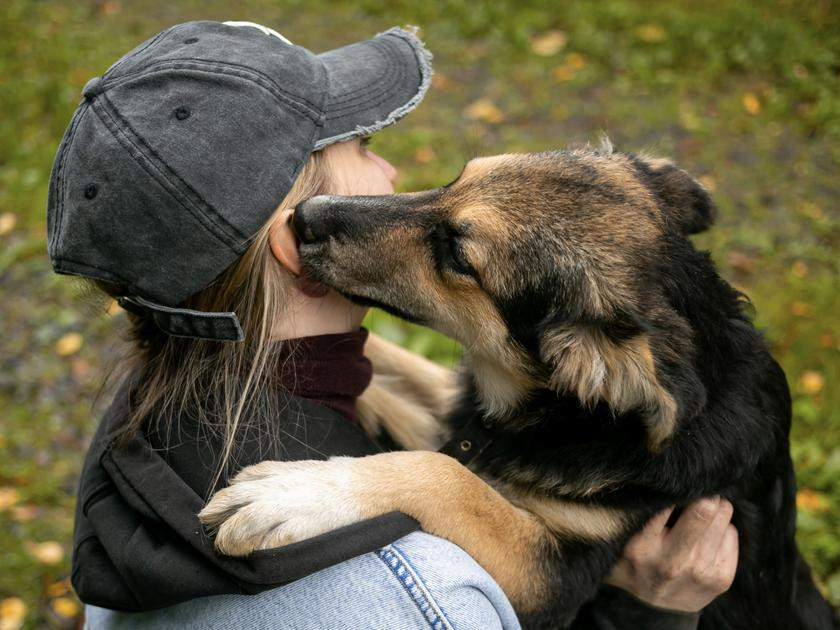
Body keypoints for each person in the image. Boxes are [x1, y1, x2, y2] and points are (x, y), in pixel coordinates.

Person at [46, 20, 737, 629]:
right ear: (300, 241)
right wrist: (647, 612)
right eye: (365, 145)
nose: (392, 168)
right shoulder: (424, 599)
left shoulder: (146, 422)